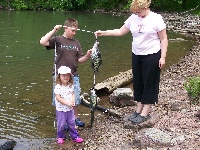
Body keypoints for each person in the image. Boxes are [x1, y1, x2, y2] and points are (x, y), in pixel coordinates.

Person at [95, 0, 168, 124]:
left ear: (145, 7)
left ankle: (145, 112)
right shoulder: (133, 17)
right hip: (136, 55)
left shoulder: (156, 19)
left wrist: (163, 57)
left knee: (149, 82)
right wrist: (104, 33)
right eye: (135, 12)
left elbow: (164, 39)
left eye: (139, 12)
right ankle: (138, 109)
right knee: (138, 82)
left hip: (152, 55)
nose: (137, 15)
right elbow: (120, 31)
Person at [40, 18, 92, 127]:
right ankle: (62, 121)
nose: (74, 33)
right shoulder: (58, 40)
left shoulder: (76, 43)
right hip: (59, 75)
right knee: (59, 98)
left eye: (76, 31)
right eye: (73, 30)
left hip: (73, 75)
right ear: (66, 28)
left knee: (75, 97)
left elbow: (79, 60)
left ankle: (75, 118)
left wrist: (87, 56)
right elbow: (42, 42)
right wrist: (54, 30)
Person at [54, 66, 83, 144]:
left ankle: (75, 136)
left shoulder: (70, 85)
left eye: (67, 75)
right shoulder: (58, 87)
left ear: (70, 76)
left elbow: (73, 93)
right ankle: (60, 136)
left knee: (71, 123)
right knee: (61, 124)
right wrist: (67, 103)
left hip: (70, 109)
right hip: (61, 110)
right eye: (63, 75)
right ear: (59, 76)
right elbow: (58, 98)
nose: (65, 77)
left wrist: (73, 100)